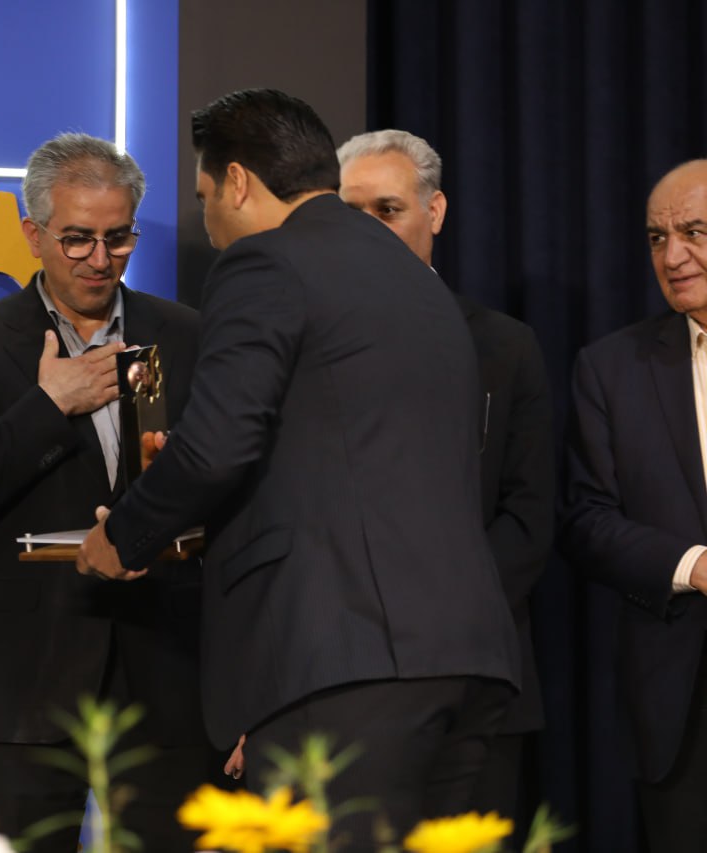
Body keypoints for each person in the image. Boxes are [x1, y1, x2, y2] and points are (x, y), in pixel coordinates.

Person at [77, 89, 519, 845]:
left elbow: (217, 447)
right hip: (464, 658)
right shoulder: (412, 278)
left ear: (238, 181)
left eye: (204, 197)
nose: (208, 221)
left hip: (346, 657)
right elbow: (349, 455)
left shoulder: (265, 261)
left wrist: (124, 536)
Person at [0, 133, 213, 851]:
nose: (99, 259)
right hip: (28, 681)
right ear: (34, 235)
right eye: (77, 239)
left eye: (118, 238)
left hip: (169, 675)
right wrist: (50, 406)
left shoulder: (185, 334)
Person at [337, 129, 554, 823]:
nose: (367, 231)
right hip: (342, 679)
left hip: (477, 681)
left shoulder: (505, 346)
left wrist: (438, 617)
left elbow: (529, 515)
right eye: (351, 213)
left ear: (435, 212)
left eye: (388, 210)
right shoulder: (300, 341)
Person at [560, 159, 707, 853]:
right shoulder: (611, 368)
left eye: (694, 231)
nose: (672, 257)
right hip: (682, 707)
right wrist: (693, 564)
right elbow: (585, 522)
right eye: (657, 237)